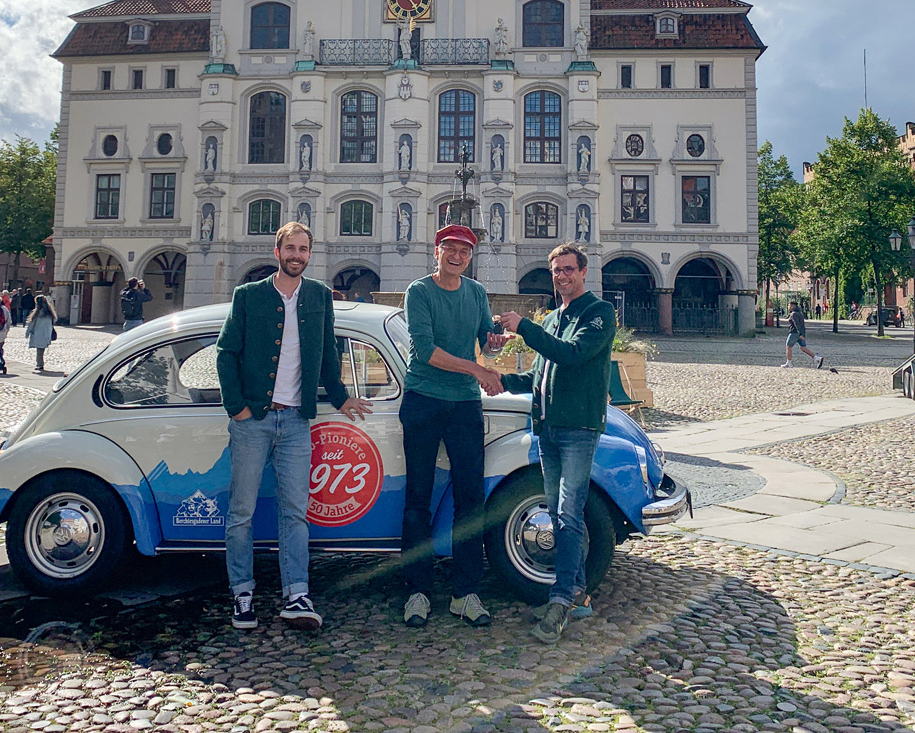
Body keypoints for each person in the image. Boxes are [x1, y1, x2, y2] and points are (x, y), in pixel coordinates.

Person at [214, 221, 372, 631]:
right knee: (242, 511)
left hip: (297, 421)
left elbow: (326, 357)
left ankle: (297, 594)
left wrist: (340, 397)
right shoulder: (248, 296)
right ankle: (242, 593)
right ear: (277, 251)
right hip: (253, 420)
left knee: (295, 513)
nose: (297, 255)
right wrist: (238, 409)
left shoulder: (319, 295)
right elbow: (226, 352)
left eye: (304, 248)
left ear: (310, 254)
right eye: (291, 248)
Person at [498, 243, 617, 645]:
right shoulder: (552, 318)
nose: (562, 276)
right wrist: (490, 379)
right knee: (559, 511)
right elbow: (536, 377)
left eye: (568, 269)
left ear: (583, 272)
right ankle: (578, 593)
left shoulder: (599, 314)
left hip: (579, 428)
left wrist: (523, 327)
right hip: (548, 428)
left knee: (568, 512)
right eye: (556, 271)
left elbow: (571, 355)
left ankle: (561, 599)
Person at [399, 224, 508, 630]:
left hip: (464, 403)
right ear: (437, 251)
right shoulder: (419, 292)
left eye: (464, 250)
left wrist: (494, 342)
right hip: (424, 399)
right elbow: (425, 351)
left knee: (470, 496)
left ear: (470, 257)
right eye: (450, 248)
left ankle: (465, 592)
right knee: (417, 496)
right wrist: (478, 368)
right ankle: (418, 590)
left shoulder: (476, 292)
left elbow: (483, 337)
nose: (457, 255)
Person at [781, 301, 823, 368]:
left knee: (788, 346)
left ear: (792, 306)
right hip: (801, 333)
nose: (788, 307)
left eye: (789, 305)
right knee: (803, 348)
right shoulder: (800, 313)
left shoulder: (794, 314)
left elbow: (797, 324)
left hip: (794, 333)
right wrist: (802, 334)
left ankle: (789, 362)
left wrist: (800, 334)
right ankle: (816, 358)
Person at [24, 293, 56, 373]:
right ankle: (40, 363)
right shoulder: (50, 313)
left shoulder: (37, 313)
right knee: (41, 349)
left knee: (39, 350)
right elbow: (54, 320)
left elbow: (32, 323)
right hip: (46, 333)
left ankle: (40, 364)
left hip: (38, 333)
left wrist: (27, 332)